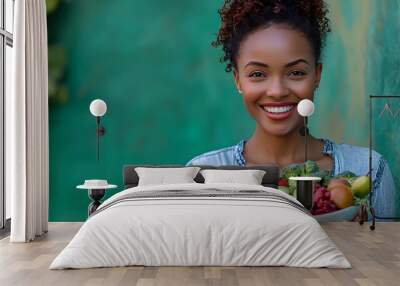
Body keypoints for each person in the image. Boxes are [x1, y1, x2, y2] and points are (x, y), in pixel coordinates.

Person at [186, 0, 396, 218]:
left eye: (296, 73)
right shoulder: (201, 173)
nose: (277, 91)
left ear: (317, 75)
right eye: (257, 74)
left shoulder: (369, 169)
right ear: (238, 80)